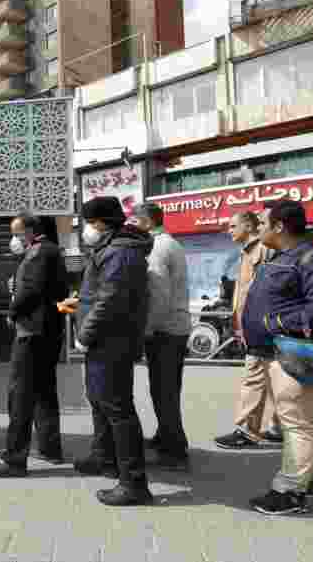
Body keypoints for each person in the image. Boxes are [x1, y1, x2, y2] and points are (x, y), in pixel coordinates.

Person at [243, 201, 313, 516]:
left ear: (279, 227)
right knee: (305, 417)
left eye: (263, 223)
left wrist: (274, 324)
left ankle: (289, 492)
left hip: (298, 353)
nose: (258, 228)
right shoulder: (280, 258)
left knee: (295, 421)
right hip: (276, 353)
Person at [63, 196, 153, 506]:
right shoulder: (111, 247)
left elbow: (111, 299)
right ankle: (104, 457)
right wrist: (81, 304)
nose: (86, 230)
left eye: (89, 223)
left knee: (117, 409)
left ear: (102, 223)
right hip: (104, 339)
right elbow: (101, 293)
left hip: (112, 341)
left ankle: (133, 483)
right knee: (99, 401)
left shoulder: (121, 251)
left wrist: (85, 334)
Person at [0, 212, 66, 477]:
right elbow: (54, 291)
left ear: (31, 230)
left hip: (31, 331)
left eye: (17, 233)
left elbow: (31, 291)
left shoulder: (38, 253)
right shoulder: (51, 251)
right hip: (49, 331)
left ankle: (14, 460)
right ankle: (50, 449)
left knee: (20, 395)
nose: (14, 239)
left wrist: (12, 311)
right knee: (44, 391)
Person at [130, 202, 192, 472]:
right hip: (174, 326)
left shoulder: (157, 247)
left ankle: (174, 450)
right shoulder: (171, 243)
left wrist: (148, 328)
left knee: (163, 391)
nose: (132, 225)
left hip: (164, 329)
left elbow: (159, 294)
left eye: (135, 220)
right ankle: (166, 435)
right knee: (168, 389)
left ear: (145, 221)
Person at [215, 211, 283, 449]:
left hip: (260, 327)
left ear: (248, 226)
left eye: (233, 226)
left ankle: (247, 431)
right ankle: (279, 428)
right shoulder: (247, 251)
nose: (229, 230)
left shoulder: (263, 249)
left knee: (254, 379)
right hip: (253, 325)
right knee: (272, 380)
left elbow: (266, 291)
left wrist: (254, 325)